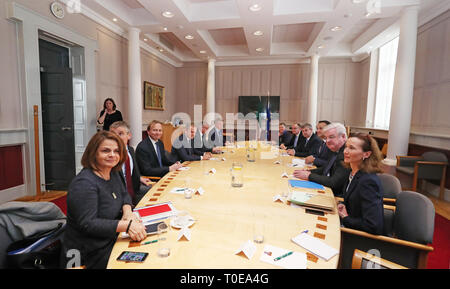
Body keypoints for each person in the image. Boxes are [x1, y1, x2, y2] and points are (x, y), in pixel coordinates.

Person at [62, 131, 146, 269]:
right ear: (93, 153)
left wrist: (128, 212)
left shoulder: (113, 172)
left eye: (116, 151)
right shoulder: (84, 183)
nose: (112, 155)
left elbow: (124, 193)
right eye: (106, 151)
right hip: (88, 253)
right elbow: (88, 224)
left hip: (111, 239)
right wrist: (127, 226)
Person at [337, 133, 384, 235]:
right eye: (346, 147)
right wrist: (343, 205)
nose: (345, 151)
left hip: (357, 238)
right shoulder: (353, 172)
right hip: (348, 227)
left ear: (366, 154)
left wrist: (346, 218)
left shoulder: (368, 181)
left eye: (352, 148)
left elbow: (373, 225)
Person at [293, 122, 350, 195]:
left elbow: (334, 182)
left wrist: (309, 176)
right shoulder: (336, 150)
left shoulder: (346, 154)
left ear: (343, 136)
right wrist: (309, 171)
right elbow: (326, 168)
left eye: (331, 137)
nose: (327, 141)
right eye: (326, 138)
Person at [110, 121, 153, 206]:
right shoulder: (111, 156)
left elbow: (131, 170)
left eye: (120, 133)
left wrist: (139, 178)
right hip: (118, 194)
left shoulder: (131, 150)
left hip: (133, 188)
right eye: (112, 134)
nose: (116, 137)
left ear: (129, 135)